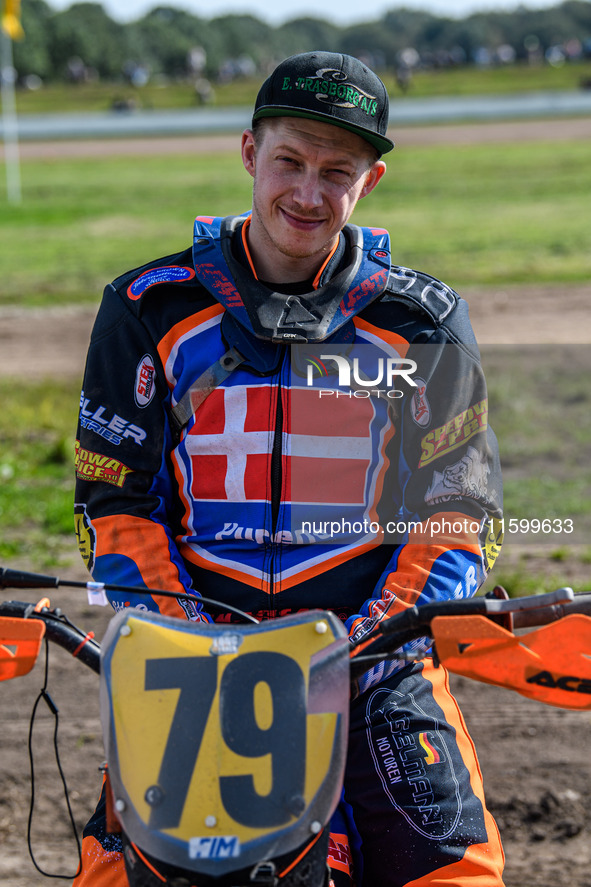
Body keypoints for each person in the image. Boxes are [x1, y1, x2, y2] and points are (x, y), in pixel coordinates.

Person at [73, 51, 505, 887]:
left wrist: (361, 645)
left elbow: (459, 515)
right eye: (289, 163)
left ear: (368, 183)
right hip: (195, 658)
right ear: (247, 153)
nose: (308, 194)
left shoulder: (422, 320)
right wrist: (190, 638)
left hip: (374, 661)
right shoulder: (146, 307)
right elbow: (116, 505)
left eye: (335, 172)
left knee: (455, 877)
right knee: (120, 877)